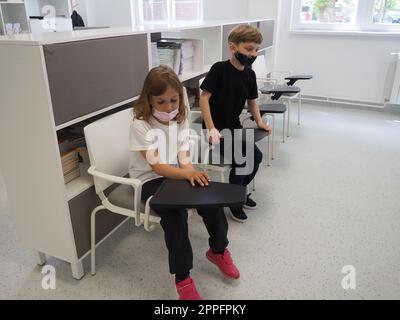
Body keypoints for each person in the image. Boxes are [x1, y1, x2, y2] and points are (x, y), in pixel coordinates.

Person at [129, 65, 240, 300]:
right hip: (149, 181)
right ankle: (183, 279)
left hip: (176, 175)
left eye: (173, 100)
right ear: (148, 100)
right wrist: (186, 175)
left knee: (208, 197)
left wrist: (193, 174)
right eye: (161, 102)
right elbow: (156, 166)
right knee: (175, 215)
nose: (169, 107)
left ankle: (218, 251)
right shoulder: (140, 125)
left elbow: (183, 156)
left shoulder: (180, 118)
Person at [199, 24, 272, 223]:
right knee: (243, 159)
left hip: (234, 128)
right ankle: (234, 200)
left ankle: (239, 193)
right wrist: (211, 128)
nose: (253, 54)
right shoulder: (219, 69)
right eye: (249, 49)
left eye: (256, 49)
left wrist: (259, 121)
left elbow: (252, 101)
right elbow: (204, 98)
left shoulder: (250, 74)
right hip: (217, 131)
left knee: (255, 157)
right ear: (233, 48)